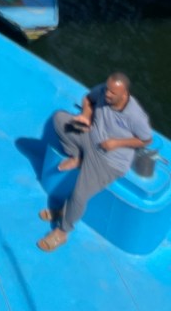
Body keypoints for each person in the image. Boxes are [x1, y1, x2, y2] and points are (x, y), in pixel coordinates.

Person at [37, 72, 152, 252]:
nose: (107, 94)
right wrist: (86, 114)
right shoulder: (103, 91)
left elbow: (145, 140)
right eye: (107, 89)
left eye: (112, 93)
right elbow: (88, 99)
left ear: (124, 94)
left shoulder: (135, 116)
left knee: (79, 195)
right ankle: (77, 157)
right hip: (91, 137)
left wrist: (116, 143)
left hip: (109, 160)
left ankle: (62, 231)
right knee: (60, 119)